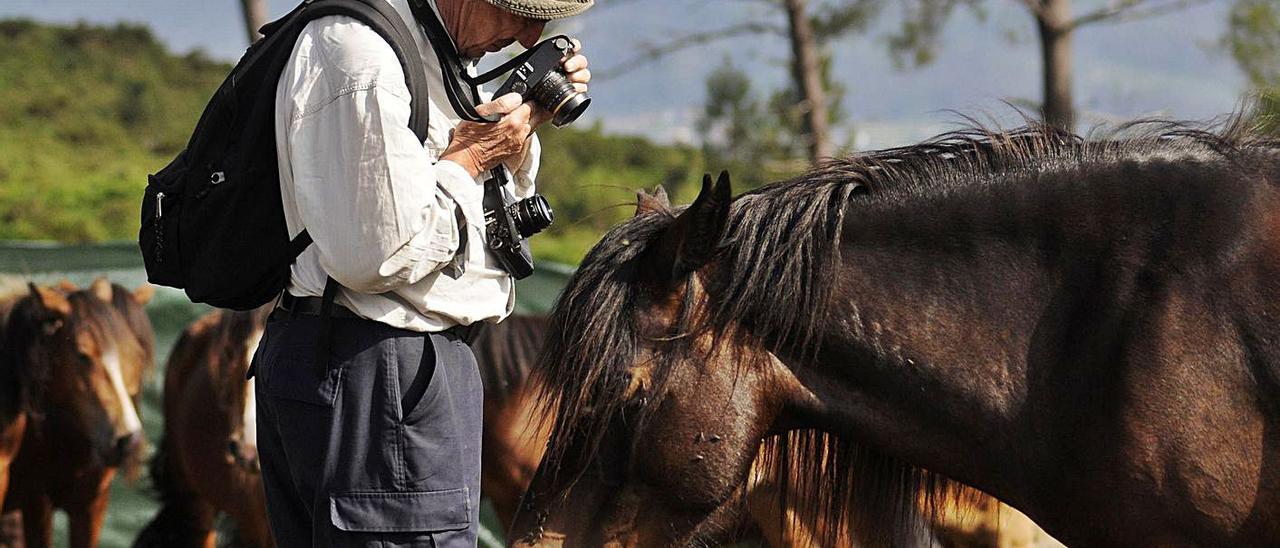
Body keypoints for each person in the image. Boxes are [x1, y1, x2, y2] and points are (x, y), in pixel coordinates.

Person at [251, 0, 592, 546]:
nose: (530, 39)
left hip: (377, 363)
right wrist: (473, 162)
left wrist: (517, 134)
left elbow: (463, 213)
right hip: (381, 366)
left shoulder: (427, 47)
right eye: (522, 14)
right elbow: (376, 254)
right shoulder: (364, 57)